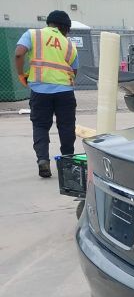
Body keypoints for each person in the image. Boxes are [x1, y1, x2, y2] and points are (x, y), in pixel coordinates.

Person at [14, 10, 79, 178]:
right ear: (65, 28)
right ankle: (67, 163)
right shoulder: (69, 44)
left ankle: (43, 161)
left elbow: (19, 53)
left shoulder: (33, 35)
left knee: (41, 126)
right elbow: (74, 70)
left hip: (39, 90)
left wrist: (22, 75)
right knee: (66, 127)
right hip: (65, 92)